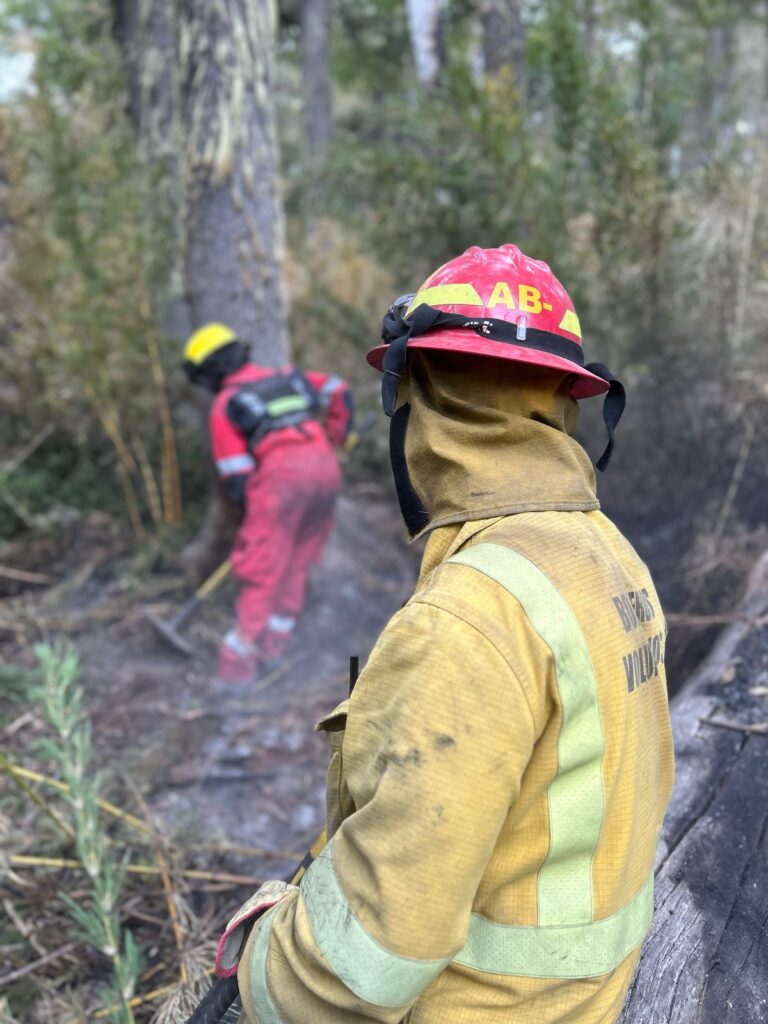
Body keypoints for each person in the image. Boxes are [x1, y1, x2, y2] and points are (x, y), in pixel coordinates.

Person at [214, 245, 675, 1023]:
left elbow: (365, 966)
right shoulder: (608, 553)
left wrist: (258, 963)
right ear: (565, 401)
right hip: (583, 995)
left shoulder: (467, 615)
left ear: (418, 392)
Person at [183, 323, 353, 684]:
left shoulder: (226, 404)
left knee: (260, 569)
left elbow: (237, 474)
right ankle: (275, 648)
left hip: (281, 485)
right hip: (326, 475)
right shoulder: (289, 377)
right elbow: (339, 390)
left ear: (208, 372)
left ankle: (236, 668)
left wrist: (255, 523)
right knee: (298, 562)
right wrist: (335, 439)